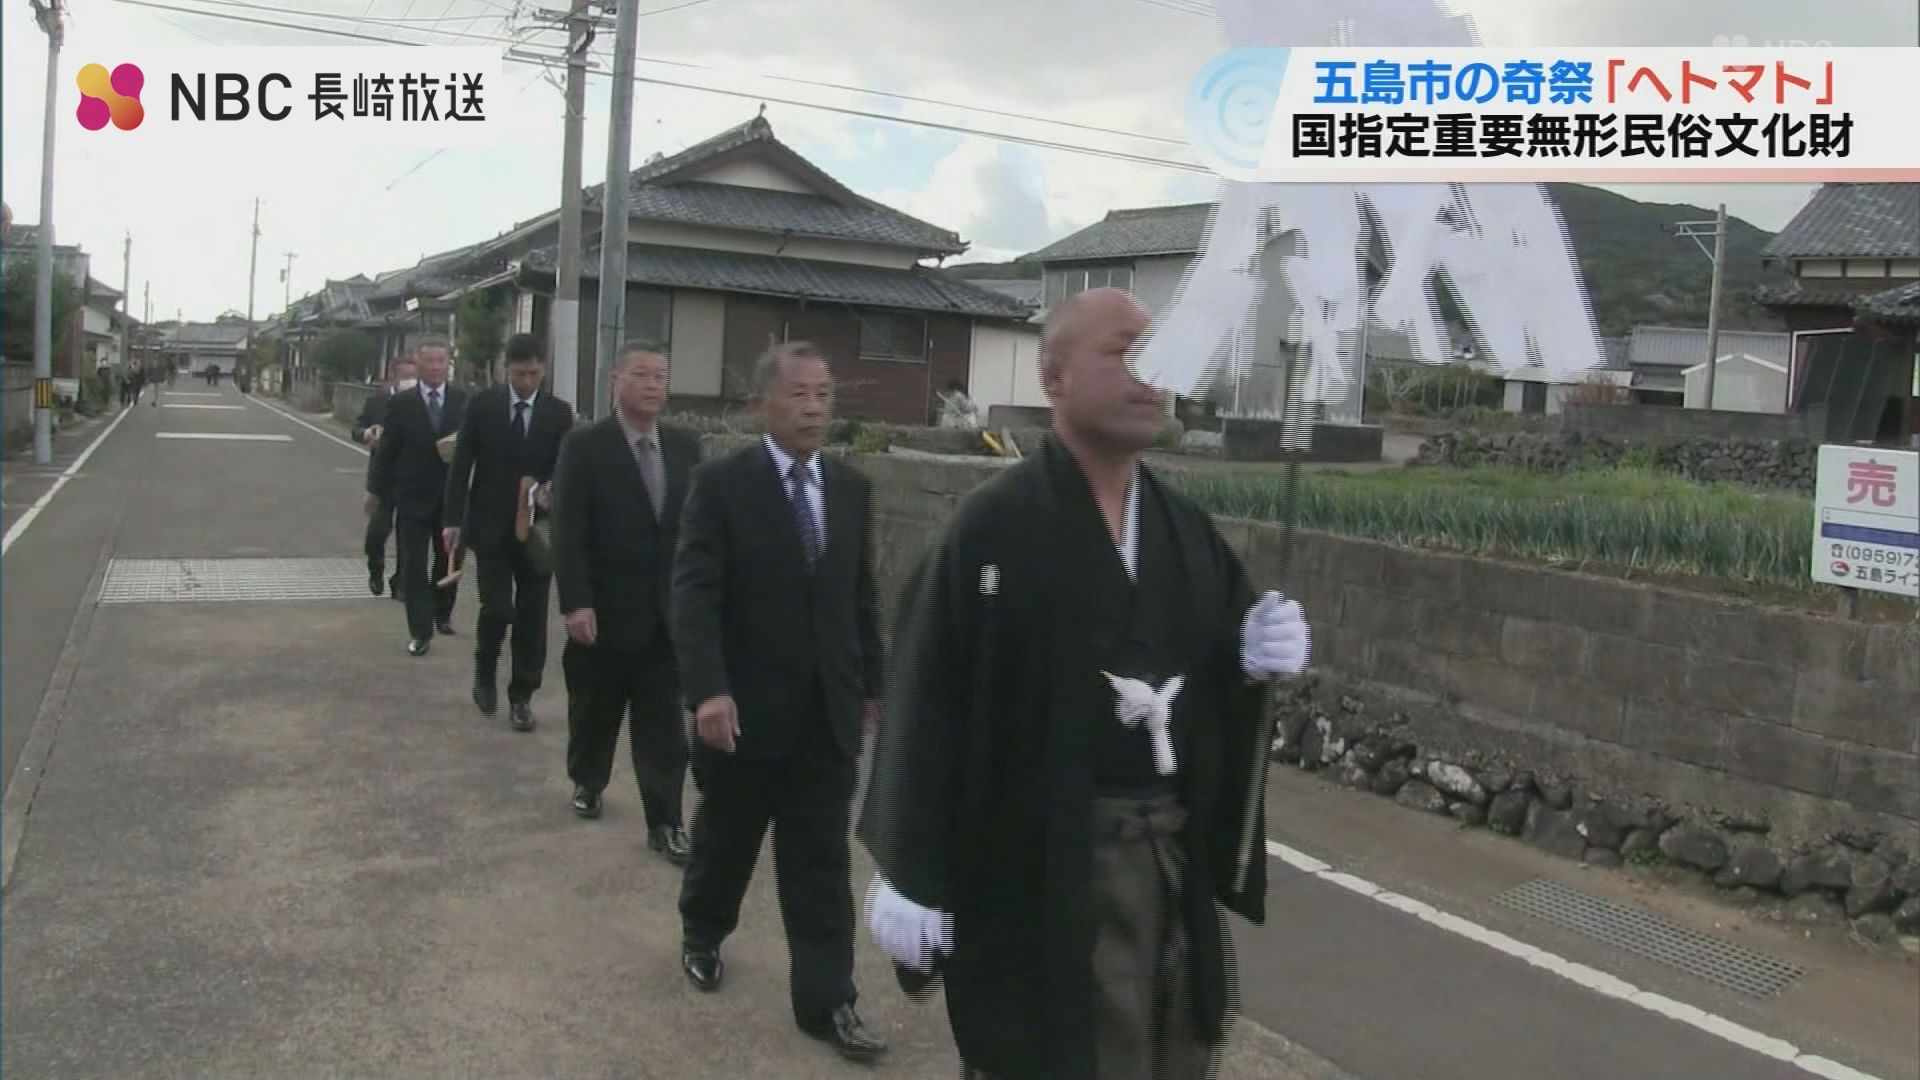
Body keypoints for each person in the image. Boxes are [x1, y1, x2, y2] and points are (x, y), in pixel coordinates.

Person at [857, 288, 1313, 1080]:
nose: (1148, 373)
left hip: (1163, 865)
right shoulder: (992, 528)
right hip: (1038, 873)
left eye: (1158, 355)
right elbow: (928, 696)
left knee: (1169, 1047)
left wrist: (1245, 661)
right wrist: (912, 871)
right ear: (1053, 377)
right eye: (1122, 352)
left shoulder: (1184, 531)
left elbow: (1212, 684)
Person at [670, 340, 887, 1064]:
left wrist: (872, 685)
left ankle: (829, 1001)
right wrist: (707, 689)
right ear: (760, 403)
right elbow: (695, 594)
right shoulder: (721, 485)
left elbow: (859, 597)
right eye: (798, 394)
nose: (814, 408)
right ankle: (703, 932)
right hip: (742, 712)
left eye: (823, 395)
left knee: (820, 862)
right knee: (727, 840)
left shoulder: (850, 489)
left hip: (825, 716)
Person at [550, 344, 701, 858]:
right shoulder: (585, 446)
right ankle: (587, 779)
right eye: (642, 374)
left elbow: (697, 531)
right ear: (615, 379)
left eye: (661, 376)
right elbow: (568, 530)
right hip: (604, 612)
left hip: (666, 618)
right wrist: (576, 602)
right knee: (595, 711)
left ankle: (666, 822)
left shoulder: (685, 447)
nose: (653, 385)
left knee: (663, 729)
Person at [443, 333, 574, 731]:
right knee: (497, 607)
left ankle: (522, 696)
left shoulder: (558, 413)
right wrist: (453, 520)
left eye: (533, 373)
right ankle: (485, 669)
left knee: (533, 616)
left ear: (543, 369)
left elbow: (566, 467)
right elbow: (461, 465)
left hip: (538, 530)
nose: (526, 381)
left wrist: (550, 489)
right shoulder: (482, 406)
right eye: (519, 374)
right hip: (490, 525)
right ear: (506, 370)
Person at [369, 337, 467, 656]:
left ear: (448, 364)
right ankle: (420, 630)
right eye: (429, 361)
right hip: (411, 495)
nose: (435, 367)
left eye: (441, 361)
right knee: (413, 564)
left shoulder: (464, 401)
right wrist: (375, 490)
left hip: (452, 496)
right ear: (418, 363)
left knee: (449, 559)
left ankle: (443, 613)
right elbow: (387, 451)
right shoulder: (402, 403)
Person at [356, 357, 417, 600]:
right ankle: (376, 570)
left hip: (411, 478)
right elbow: (357, 428)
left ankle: (401, 582)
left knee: (408, 535)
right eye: (405, 376)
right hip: (382, 478)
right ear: (393, 376)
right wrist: (367, 433)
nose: (410, 381)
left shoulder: (421, 402)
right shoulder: (377, 401)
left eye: (414, 376)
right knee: (377, 531)